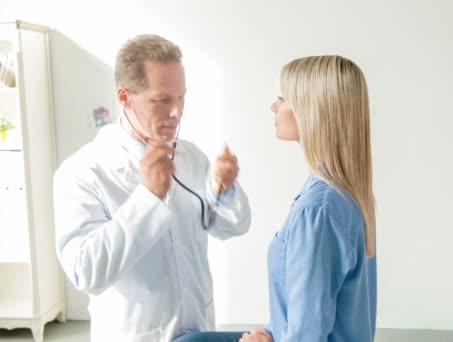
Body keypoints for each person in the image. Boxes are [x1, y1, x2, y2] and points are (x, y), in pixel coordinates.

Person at [53, 34, 251, 342]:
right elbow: (86, 272)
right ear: (124, 97)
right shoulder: (82, 172)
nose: (177, 112)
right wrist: (148, 198)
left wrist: (223, 188)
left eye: (181, 97)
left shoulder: (190, 156)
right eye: (162, 100)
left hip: (198, 330)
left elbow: (231, 227)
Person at [179, 55, 377, 342]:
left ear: (312, 111)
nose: (273, 106)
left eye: (282, 98)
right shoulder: (347, 192)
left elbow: (308, 333)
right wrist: (269, 333)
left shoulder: (318, 211)